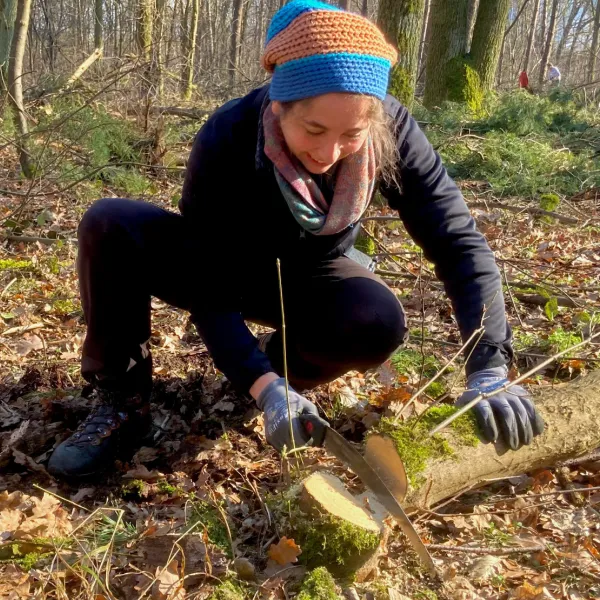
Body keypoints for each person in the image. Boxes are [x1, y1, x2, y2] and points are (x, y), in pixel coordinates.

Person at [48, 0, 544, 479]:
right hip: (224, 264)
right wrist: (261, 385)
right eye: (314, 129)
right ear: (279, 103)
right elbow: (209, 284)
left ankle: (290, 373)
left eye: (351, 134)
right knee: (109, 221)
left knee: (374, 322)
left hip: (312, 272)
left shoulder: (394, 132)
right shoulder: (228, 135)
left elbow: (458, 243)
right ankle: (123, 399)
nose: (329, 152)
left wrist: (488, 366)